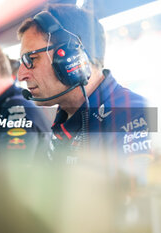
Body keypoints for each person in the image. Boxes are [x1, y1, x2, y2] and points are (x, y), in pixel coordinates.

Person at [17, 4, 154, 180]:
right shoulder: (65, 114)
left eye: (31, 59)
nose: (21, 75)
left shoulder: (133, 115)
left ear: (70, 58)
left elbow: (138, 202)